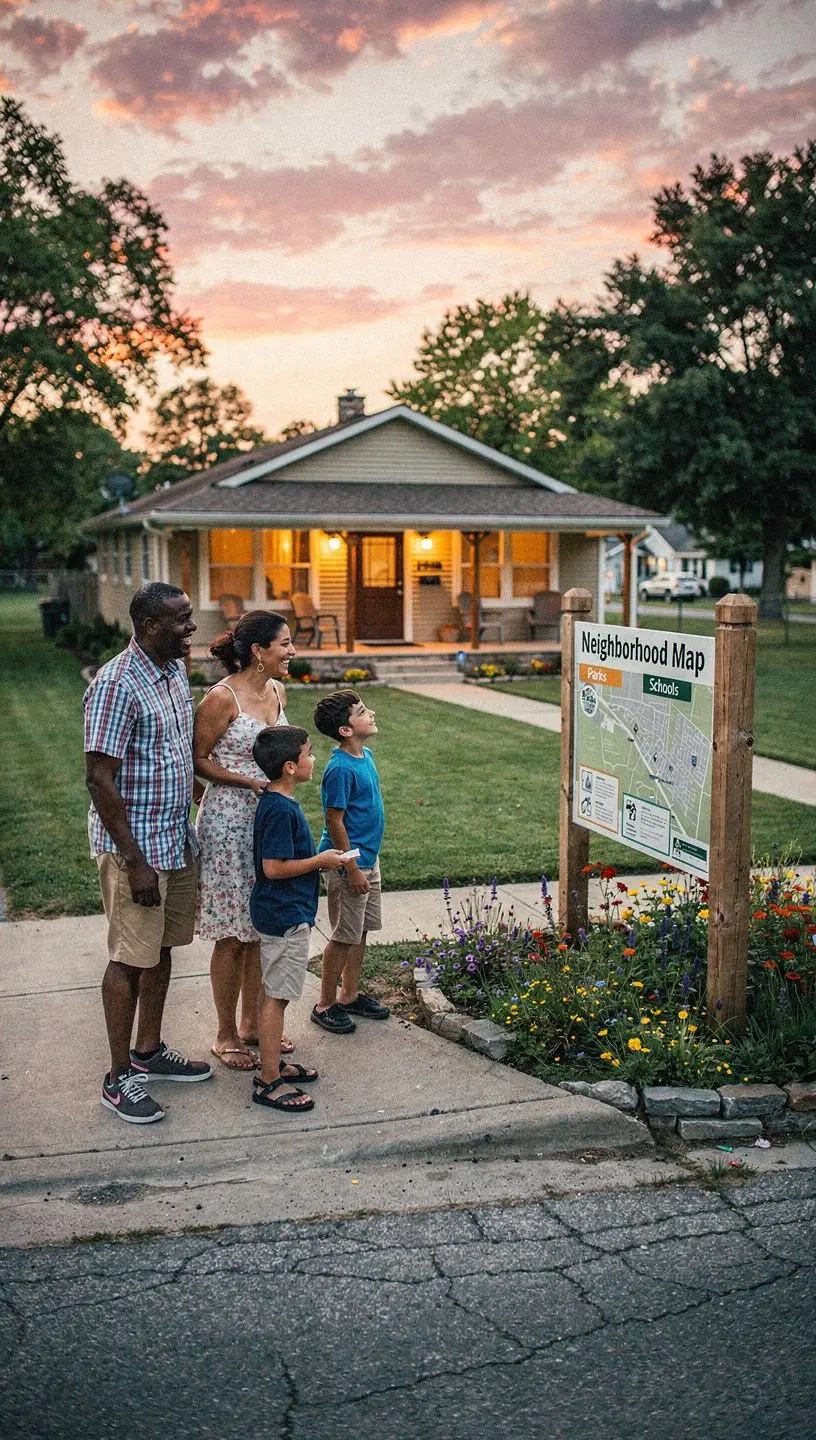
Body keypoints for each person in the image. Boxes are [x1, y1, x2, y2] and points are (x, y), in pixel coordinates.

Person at [84, 583, 212, 1125]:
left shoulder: (173, 668)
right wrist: (134, 860)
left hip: (175, 835)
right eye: (182, 620)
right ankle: (119, 1078)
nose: (192, 628)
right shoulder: (116, 684)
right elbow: (98, 778)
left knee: (160, 948)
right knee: (128, 958)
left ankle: (149, 1050)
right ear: (150, 625)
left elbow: (172, 745)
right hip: (135, 849)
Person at [194, 610, 297, 1070]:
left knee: (260, 928)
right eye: (285, 644)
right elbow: (198, 760)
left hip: (269, 820)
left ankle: (255, 1024)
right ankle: (225, 1034)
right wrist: (245, 781)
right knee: (232, 935)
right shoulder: (221, 698)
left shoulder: (277, 690)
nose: (292, 652)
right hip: (229, 822)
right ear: (259, 651)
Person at [249, 725, 346, 1111]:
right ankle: (268, 1081)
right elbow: (273, 868)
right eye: (309, 753)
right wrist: (321, 862)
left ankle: (272, 1064)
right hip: (283, 914)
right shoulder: (278, 809)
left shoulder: (277, 801)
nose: (314, 758)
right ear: (290, 767)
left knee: (274, 991)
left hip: (282, 912)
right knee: (279, 996)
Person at [312, 690, 390, 1034]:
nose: (371, 712)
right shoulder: (339, 769)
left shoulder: (365, 755)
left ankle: (349, 994)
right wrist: (351, 867)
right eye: (361, 711)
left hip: (367, 860)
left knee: (360, 932)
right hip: (349, 866)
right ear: (346, 730)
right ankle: (325, 1004)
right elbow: (334, 820)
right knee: (344, 935)